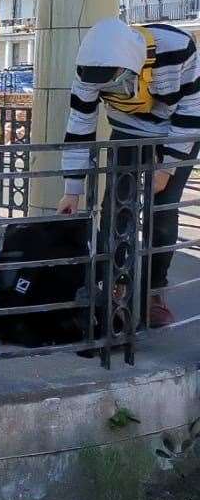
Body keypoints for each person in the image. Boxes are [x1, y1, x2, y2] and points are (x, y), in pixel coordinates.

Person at [57, 16, 200, 328]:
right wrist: (72, 189)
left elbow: (192, 110)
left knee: (161, 210)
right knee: (116, 209)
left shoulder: (178, 49)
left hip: (177, 131)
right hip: (127, 132)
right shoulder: (87, 72)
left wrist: (167, 169)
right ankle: (116, 287)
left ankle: (152, 291)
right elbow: (81, 126)